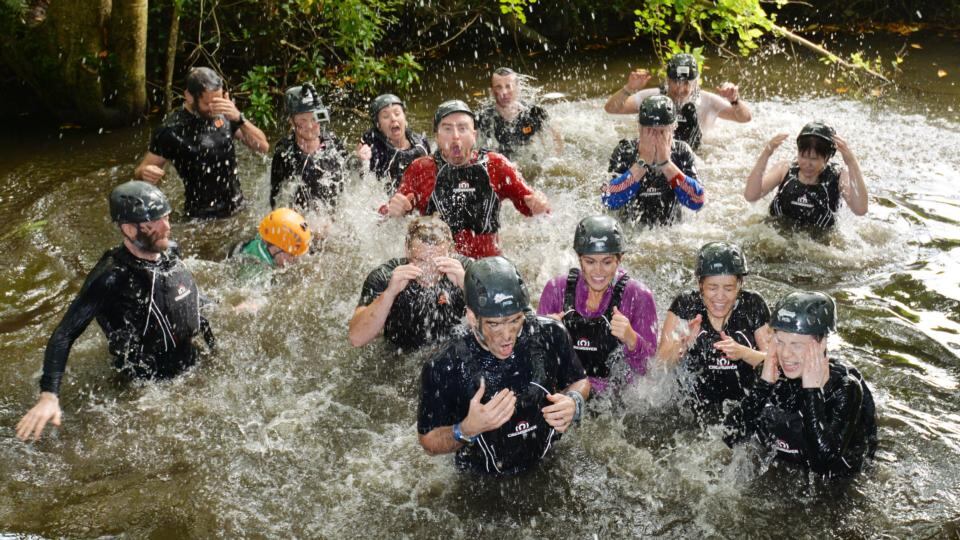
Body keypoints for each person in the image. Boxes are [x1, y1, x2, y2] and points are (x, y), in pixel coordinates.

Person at [15, 181, 215, 441]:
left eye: (166, 216)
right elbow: (64, 334)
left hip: (194, 360)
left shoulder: (170, 251)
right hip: (149, 387)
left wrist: (224, 305)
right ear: (130, 229)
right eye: (155, 222)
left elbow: (180, 294)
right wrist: (48, 395)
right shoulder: (111, 276)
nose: (167, 226)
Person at [417, 256, 590, 476]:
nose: (507, 335)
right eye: (494, 324)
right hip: (482, 479)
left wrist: (574, 402)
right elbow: (428, 441)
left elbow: (580, 381)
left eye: (514, 320)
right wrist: (466, 429)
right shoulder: (444, 365)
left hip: (549, 462)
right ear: (472, 317)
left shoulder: (550, 334)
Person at [723, 291, 877, 477]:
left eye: (796, 345)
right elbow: (730, 436)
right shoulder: (772, 374)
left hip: (833, 489)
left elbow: (824, 462)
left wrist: (812, 391)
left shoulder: (845, 388)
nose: (786, 354)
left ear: (821, 344)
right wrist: (763, 385)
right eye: (780, 342)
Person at [382, 100, 551, 258]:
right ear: (437, 136)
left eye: (462, 128)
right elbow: (383, 217)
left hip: (487, 265)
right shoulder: (420, 169)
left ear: (474, 135)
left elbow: (533, 206)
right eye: (447, 129)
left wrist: (539, 205)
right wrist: (393, 211)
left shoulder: (496, 165)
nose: (455, 136)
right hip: (438, 266)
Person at [537, 216, 658, 394]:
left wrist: (632, 339)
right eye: (590, 261)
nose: (598, 271)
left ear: (619, 259)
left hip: (614, 402)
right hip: (568, 395)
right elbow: (536, 364)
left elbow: (650, 372)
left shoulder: (639, 296)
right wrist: (546, 337)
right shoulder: (556, 290)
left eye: (607, 262)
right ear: (579, 259)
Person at [134, 67, 269, 219]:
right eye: (208, 103)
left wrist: (239, 118)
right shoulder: (171, 131)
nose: (215, 108)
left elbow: (263, 147)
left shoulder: (226, 114)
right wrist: (145, 173)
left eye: (219, 101)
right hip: (201, 218)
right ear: (189, 96)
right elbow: (142, 171)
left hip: (239, 208)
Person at [657, 242, 770, 421]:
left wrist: (744, 353)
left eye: (728, 288)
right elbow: (659, 364)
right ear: (700, 284)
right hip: (693, 412)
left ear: (740, 285)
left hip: (743, 410)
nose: (720, 297)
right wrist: (682, 343)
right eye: (712, 288)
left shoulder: (753, 305)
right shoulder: (686, 305)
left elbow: (776, 364)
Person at [348, 216, 470, 351]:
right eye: (421, 261)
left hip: (453, 353)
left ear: (451, 252)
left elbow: (494, 328)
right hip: (399, 356)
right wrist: (389, 294)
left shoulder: (466, 271)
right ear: (407, 249)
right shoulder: (386, 276)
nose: (429, 270)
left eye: (437, 262)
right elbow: (356, 338)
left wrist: (467, 287)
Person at [603, 53, 752, 151]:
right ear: (667, 80)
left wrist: (735, 100)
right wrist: (629, 88)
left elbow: (745, 118)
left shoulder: (708, 101)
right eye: (675, 81)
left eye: (686, 83)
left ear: (695, 82)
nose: (680, 88)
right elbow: (612, 109)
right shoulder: (652, 98)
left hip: (699, 155)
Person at [743, 122, 868, 230]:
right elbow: (751, 195)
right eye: (803, 156)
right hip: (775, 234)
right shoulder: (784, 169)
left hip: (817, 244)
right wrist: (766, 153)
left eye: (814, 159)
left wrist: (852, 163)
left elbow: (860, 209)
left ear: (827, 158)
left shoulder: (838, 176)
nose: (807, 164)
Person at [602, 95, 704, 226]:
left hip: (670, 232)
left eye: (661, 131)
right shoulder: (625, 150)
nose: (655, 137)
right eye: (649, 131)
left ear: (674, 127)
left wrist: (666, 164)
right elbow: (607, 198)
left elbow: (698, 201)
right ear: (639, 128)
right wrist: (642, 162)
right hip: (632, 229)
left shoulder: (681, 151)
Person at [270, 83, 347, 212]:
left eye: (314, 118)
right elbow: (275, 201)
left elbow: (349, 187)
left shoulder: (334, 145)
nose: (310, 126)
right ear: (291, 121)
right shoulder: (284, 154)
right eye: (303, 121)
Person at [475, 67, 562, 159]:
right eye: (498, 87)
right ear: (492, 91)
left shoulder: (535, 113)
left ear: (517, 88)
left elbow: (556, 142)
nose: (504, 92)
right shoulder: (483, 119)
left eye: (508, 86)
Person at [356, 94, 431, 193]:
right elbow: (361, 184)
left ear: (405, 117)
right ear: (378, 125)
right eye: (385, 116)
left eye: (397, 113)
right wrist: (360, 160)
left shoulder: (421, 145)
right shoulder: (374, 151)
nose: (393, 119)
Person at [233, 208, 312, 271]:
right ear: (277, 249)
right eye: (292, 255)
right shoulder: (260, 269)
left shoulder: (267, 236)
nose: (295, 260)